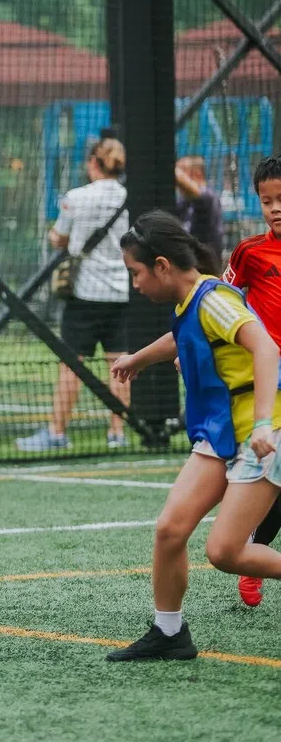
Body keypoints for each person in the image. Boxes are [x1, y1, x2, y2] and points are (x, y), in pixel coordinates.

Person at [106, 210, 281, 661]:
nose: (135, 283)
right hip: (222, 432)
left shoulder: (215, 299)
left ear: (162, 265)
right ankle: (169, 633)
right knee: (170, 530)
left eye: (137, 272)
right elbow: (182, 337)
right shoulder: (191, 303)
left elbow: (266, 347)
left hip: (263, 431)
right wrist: (139, 359)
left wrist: (263, 422)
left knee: (225, 552)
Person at [17, 137, 131, 452]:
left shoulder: (75, 198)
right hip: (120, 291)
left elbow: (59, 237)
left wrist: (56, 235)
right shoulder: (128, 197)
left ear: (93, 162)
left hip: (84, 295)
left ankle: (57, 431)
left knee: (71, 364)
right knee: (119, 364)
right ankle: (118, 432)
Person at [221, 153, 281, 607]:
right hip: (272, 381)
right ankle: (253, 556)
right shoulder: (249, 252)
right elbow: (222, 300)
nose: (275, 207)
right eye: (267, 200)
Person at [175, 155, 224, 259]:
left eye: (182, 170)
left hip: (206, 265)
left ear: (197, 173)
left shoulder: (208, 196)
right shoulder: (183, 201)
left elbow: (195, 191)